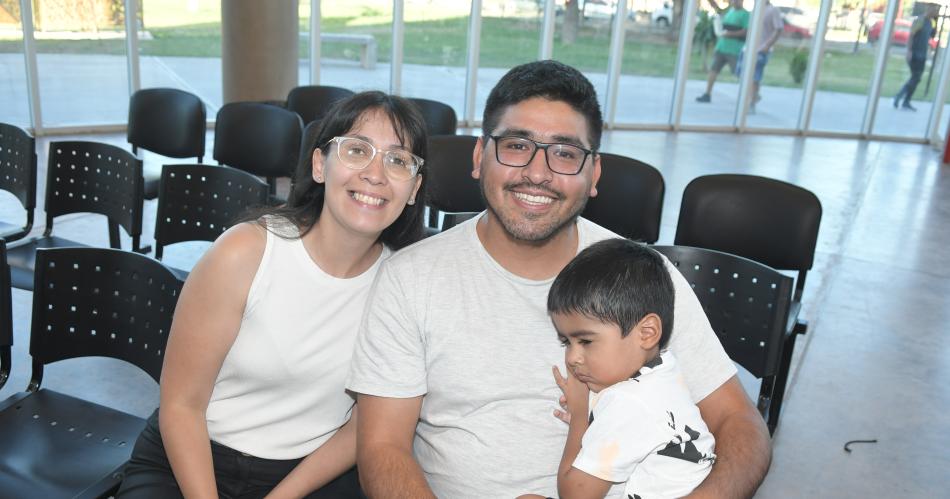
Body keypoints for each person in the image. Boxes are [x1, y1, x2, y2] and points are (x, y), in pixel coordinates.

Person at [347, 60, 771, 499]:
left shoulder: (643, 277)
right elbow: (383, 448)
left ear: (594, 176)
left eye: (565, 153)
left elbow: (739, 423)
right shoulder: (411, 278)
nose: (537, 173)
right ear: (479, 157)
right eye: (516, 146)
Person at [117, 91, 428, 498]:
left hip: (310, 475)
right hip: (189, 462)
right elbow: (181, 405)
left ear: (414, 188)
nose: (375, 173)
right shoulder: (245, 252)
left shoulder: (405, 284)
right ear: (320, 164)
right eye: (356, 150)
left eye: (398, 160)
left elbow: (362, 428)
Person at [539, 238, 716, 498]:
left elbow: (574, 494)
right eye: (567, 342)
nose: (573, 357)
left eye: (585, 341)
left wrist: (579, 415)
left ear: (647, 333)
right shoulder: (663, 369)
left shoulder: (628, 403)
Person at [697, 0, 750, 103]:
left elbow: (746, 32)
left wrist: (730, 34)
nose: (734, 2)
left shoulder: (745, 14)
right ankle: (707, 94)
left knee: (739, 73)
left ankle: (747, 98)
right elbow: (718, 12)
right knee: (713, 70)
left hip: (735, 50)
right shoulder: (729, 11)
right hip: (721, 47)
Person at [893, 4, 939, 112]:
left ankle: (905, 101)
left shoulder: (930, 22)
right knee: (915, 77)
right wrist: (909, 51)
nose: (935, 12)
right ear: (928, 9)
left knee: (916, 78)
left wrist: (936, 22)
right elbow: (911, 35)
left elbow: (932, 36)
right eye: (934, 10)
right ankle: (899, 97)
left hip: (922, 54)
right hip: (915, 53)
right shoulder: (920, 20)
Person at [740, 0, 784, 110]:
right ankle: (754, 96)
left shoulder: (773, 10)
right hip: (749, 48)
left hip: (762, 49)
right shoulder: (756, 9)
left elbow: (778, 29)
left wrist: (767, 45)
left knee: (755, 77)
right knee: (745, 75)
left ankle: (752, 103)